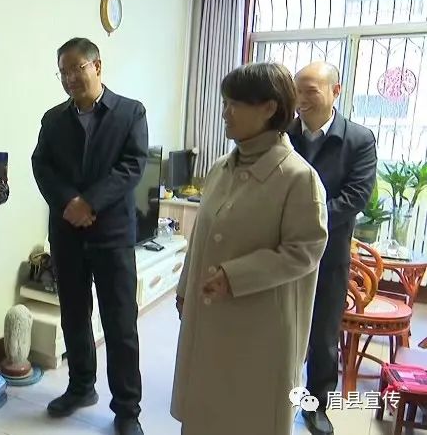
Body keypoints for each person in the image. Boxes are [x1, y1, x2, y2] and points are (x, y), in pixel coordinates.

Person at [170, 63, 329, 435]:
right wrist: (184, 287)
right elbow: (202, 236)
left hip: (262, 327)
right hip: (208, 318)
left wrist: (235, 276)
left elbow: (304, 250)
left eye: (235, 104)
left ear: (269, 108)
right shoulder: (220, 169)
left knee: (249, 416)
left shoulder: (299, 178)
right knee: (204, 413)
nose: (225, 113)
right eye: (224, 103)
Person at [31, 37, 148, 435]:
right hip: (67, 234)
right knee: (74, 316)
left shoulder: (130, 112)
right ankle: (81, 387)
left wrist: (90, 202)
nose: (69, 78)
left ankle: (127, 410)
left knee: (120, 323)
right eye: (63, 72)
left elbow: (132, 165)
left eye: (76, 69)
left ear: (97, 66)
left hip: (112, 235)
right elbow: (41, 165)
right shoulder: (53, 119)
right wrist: (70, 202)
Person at [290, 61, 377, 435]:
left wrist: (306, 220)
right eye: (297, 91)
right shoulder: (282, 134)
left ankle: (316, 406)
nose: (301, 99)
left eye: (311, 90)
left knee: (323, 336)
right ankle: (273, 394)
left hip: (329, 253)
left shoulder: (358, 139)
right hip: (283, 251)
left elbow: (355, 197)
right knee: (279, 328)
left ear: (335, 91)